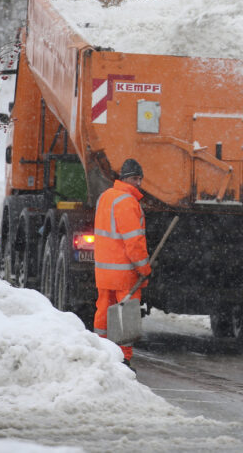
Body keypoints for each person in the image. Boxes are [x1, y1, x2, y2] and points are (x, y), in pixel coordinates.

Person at [92, 158, 151, 369]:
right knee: (125, 317)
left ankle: (101, 351)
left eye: (140, 179)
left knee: (103, 312)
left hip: (104, 271)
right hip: (124, 274)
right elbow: (133, 242)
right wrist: (144, 269)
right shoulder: (127, 202)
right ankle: (123, 360)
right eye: (136, 178)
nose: (139, 183)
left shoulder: (106, 197)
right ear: (126, 179)